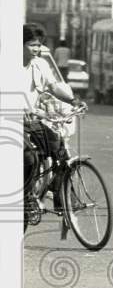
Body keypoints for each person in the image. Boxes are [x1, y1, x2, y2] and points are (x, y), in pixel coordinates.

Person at [22, 24, 86, 214]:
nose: (36, 49)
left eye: (39, 45)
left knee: (59, 149)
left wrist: (73, 101)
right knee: (30, 158)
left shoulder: (40, 64)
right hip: (11, 122)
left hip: (33, 121)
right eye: (32, 45)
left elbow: (54, 87)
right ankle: (25, 197)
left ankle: (61, 197)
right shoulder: (7, 66)